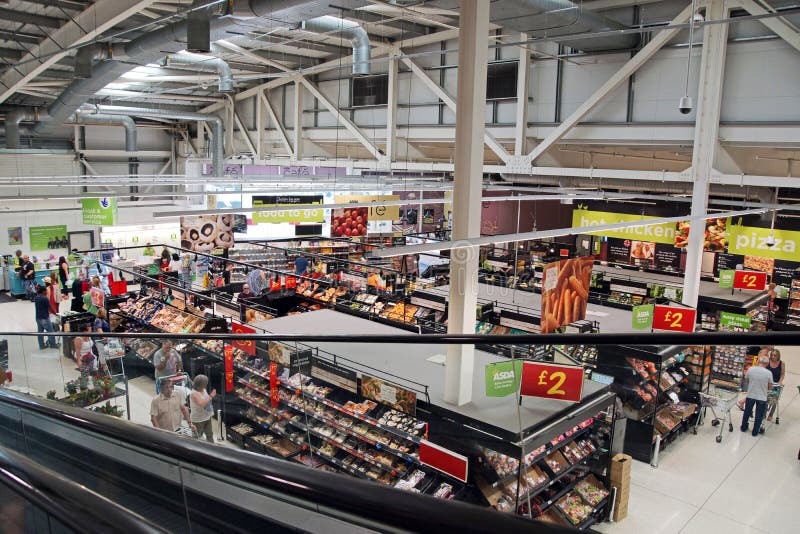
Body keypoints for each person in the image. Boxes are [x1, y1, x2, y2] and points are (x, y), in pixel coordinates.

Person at [741, 354, 773, 436]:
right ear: (767, 363)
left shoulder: (750, 369)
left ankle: (743, 427)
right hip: (762, 397)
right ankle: (755, 432)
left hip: (750, 394)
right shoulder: (769, 373)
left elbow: (747, 381)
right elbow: (770, 387)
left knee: (747, 412)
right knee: (759, 415)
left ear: (758, 361)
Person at [190, 374, 216, 443]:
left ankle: (212, 448)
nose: (206, 385)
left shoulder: (203, 389)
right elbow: (202, 404)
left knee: (209, 434)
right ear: (200, 385)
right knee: (197, 437)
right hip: (198, 420)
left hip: (206, 417)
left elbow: (206, 399)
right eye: (205, 383)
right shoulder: (194, 393)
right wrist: (211, 396)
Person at [34, 286, 57, 350]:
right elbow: (50, 307)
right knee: (50, 331)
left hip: (38, 317)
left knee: (40, 332)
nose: (47, 292)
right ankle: (53, 344)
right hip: (44, 318)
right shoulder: (45, 298)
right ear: (43, 291)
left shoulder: (36, 298)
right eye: (46, 291)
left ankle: (41, 346)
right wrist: (56, 313)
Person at [766, 349, 785, 421]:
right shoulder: (768, 362)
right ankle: (764, 413)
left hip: (776, 383)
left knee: (775, 398)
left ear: (778, 356)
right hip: (767, 383)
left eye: (775, 355)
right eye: (772, 355)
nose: (773, 357)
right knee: (765, 398)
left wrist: (780, 382)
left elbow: (782, 374)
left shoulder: (782, 363)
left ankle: (771, 414)